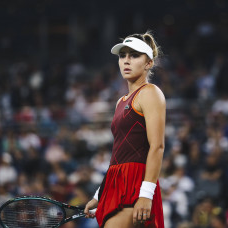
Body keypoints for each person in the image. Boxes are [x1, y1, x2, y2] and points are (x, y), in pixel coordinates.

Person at [84, 31, 165, 228]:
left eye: (134, 55)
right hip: (116, 183)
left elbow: (157, 147)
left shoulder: (150, 93)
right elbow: (119, 153)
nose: (126, 61)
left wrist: (146, 195)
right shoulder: (121, 101)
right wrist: (99, 194)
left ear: (149, 63)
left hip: (137, 184)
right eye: (123, 56)